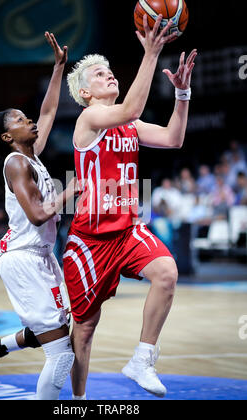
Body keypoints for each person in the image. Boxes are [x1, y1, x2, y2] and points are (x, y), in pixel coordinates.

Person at [63, 14, 197, 399]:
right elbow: (130, 110)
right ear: (86, 93)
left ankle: (142, 358)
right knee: (84, 332)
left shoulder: (128, 125)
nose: (108, 76)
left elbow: (173, 138)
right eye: (99, 75)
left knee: (167, 273)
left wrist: (182, 95)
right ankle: (78, 401)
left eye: (109, 71)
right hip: (90, 240)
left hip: (126, 229)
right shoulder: (90, 119)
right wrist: (152, 53)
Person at [0, 32, 76, 400]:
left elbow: (47, 112)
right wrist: (69, 193)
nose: (30, 121)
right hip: (24, 258)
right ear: (8, 137)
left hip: (40, 256)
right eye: (20, 120)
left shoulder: (31, 154)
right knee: (61, 355)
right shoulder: (15, 163)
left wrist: (59, 68)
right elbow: (39, 214)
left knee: (57, 329)